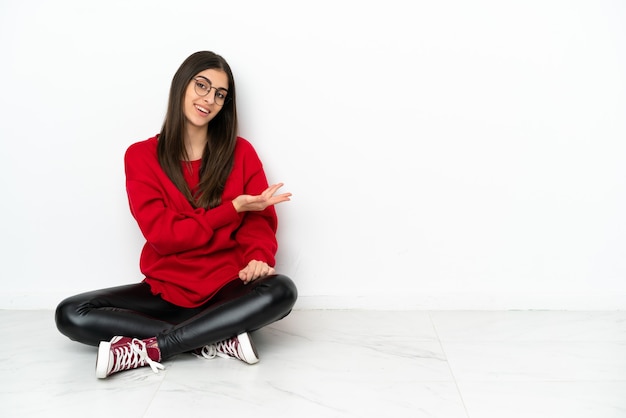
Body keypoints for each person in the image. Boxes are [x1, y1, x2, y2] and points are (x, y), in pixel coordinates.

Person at [55, 51, 298, 379]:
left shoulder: (241, 152)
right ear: (181, 85)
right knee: (71, 312)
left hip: (226, 288)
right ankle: (214, 338)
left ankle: (155, 347)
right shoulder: (140, 156)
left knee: (282, 290)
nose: (209, 99)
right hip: (166, 290)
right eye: (202, 85)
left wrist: (258, 257)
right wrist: (231, 209)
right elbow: (164, 237)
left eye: (220, 94)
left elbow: (259, 219)